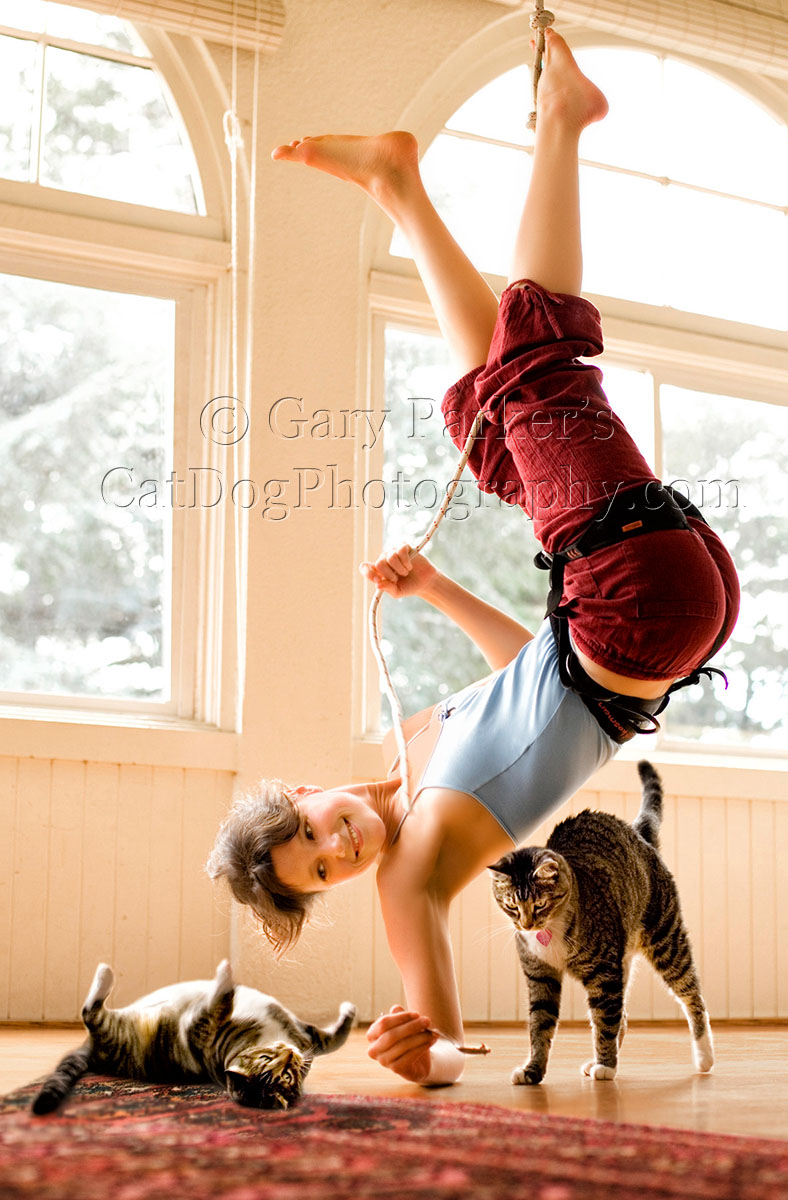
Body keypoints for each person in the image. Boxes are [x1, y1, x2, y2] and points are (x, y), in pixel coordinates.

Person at [207, 30, 740, 1087]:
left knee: (492, 433)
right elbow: (445, 1041)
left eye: (310, 834)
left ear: (311, 793)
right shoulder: (411, 874)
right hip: (632, 608)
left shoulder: (414, 744)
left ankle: (402, 188)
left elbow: (523, 668)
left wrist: (435, 585)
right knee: (540, 371)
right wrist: (426, 1053)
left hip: (635, 612)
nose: (337, 851)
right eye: (319, 874)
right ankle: (561, 121)